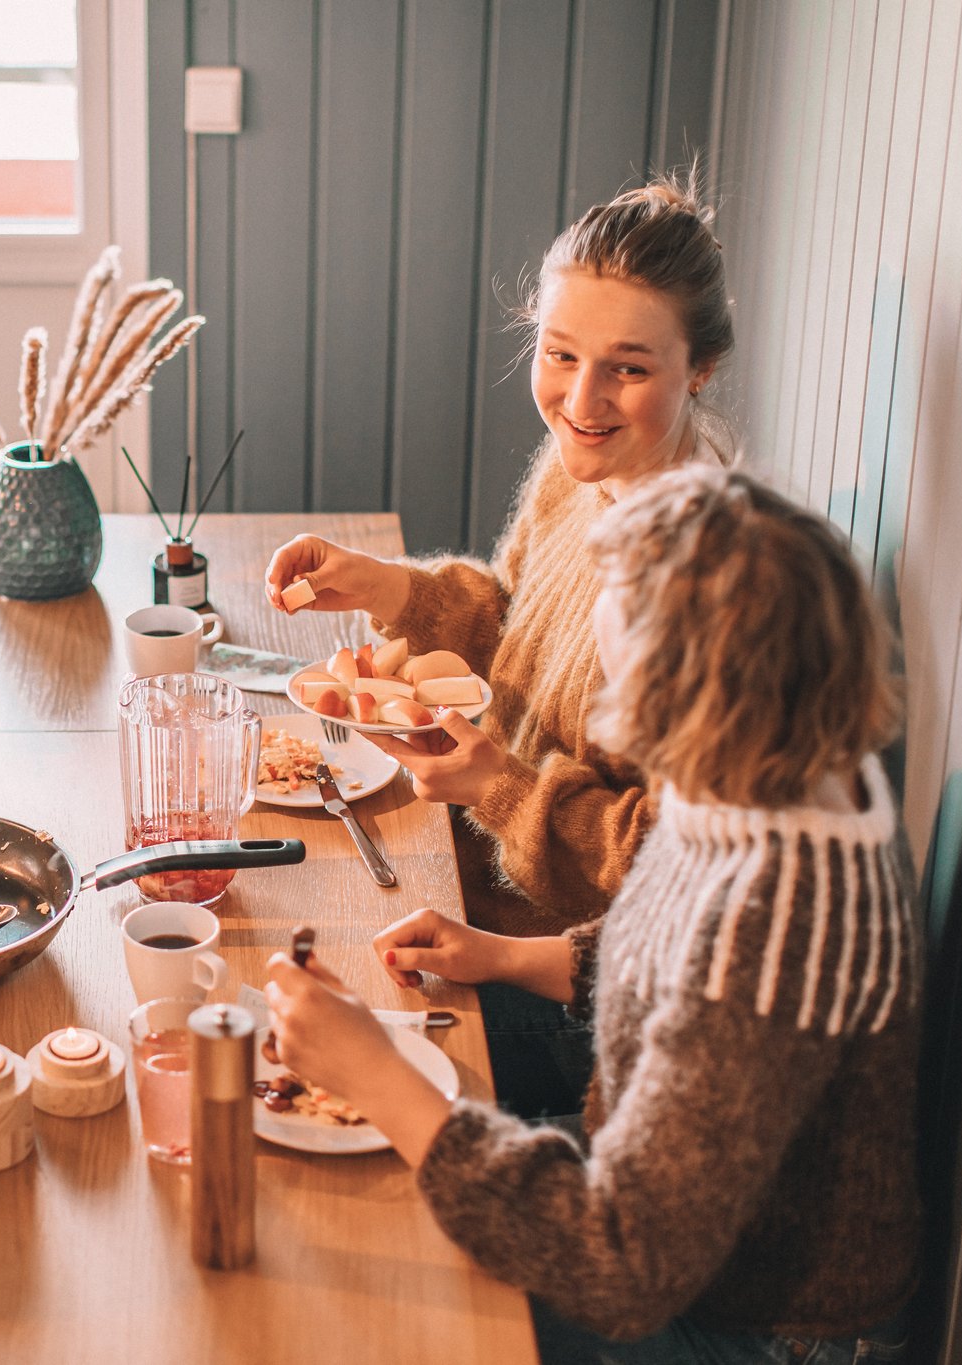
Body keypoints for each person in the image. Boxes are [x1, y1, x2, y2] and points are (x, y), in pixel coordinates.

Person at [265, 467, 918, 1364]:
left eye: (625, 686)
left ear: (700, 698)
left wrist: (379, 1077)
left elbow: (619, 1262)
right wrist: (503, 956)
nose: (611, 711)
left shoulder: (780, 918)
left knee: (367, 1285)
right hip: (675, 1220)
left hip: (756, 1324)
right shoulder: (783, 777)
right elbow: (674, 946)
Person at [264, 172, 735, 1117]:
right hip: (468, 879)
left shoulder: (711, 586)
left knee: (277, 1041)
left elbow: (687, 877)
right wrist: (394, 587)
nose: (581, 399)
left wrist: (500, 789)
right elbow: (520, 628)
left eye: (628, 368)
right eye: (560, 354)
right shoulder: (584, 473)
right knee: (267, 949)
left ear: (701, 371)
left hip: (583, 1006)